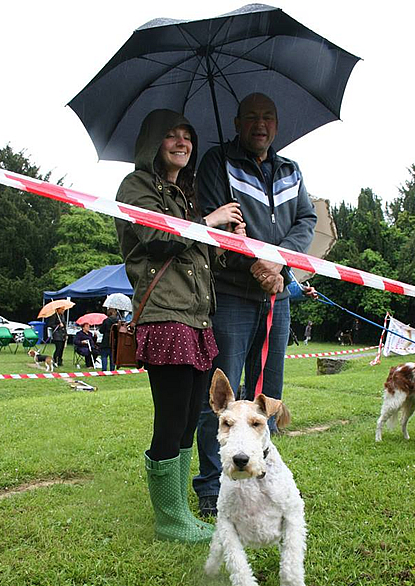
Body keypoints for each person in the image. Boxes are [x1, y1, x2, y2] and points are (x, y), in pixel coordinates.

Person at [114, 109, 245, 543]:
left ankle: (180, 511)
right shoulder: (135, 187)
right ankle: (169, 519)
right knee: (170, 417)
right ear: (153, 142)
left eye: (187, 135)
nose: (181, 142)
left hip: (197, 316)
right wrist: (207, 223)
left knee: (191, 415)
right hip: (166, 315)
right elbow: (158, 238)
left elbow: (200, 257)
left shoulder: (185, 196)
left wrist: (228, 237)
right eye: (170, 135)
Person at [194, 92, 317, 517]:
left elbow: (306, 220)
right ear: (237, 122)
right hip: (230, 294)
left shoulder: (291, 170)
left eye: (267, 117)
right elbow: (214, 224)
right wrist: (256, 262)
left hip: (277, 294)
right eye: (251, 117)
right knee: (223, 398)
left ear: (277, 125)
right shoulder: (215, 163)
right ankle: (212, 485)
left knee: (269, 394)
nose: (260, 124)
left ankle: (264, 472)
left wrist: (277, 261)